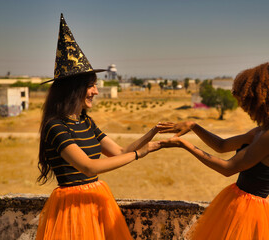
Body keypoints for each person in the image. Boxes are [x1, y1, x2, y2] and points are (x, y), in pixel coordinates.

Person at [35, 14, 159, 240]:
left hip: (96, 201)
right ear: (75, 90)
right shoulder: (56, 126)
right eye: (91, 86)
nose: (96, 92)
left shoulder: (85, 121)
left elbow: (119, 152)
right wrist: (139, 154)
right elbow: (89, 167)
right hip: (71, 208)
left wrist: (153, 134)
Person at [155, 63, 269, 239]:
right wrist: (194, 126)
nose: (244, 107)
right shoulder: (261, 131)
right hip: (237, 202)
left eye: (248, 101)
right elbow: (222, 146)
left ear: (264, 100)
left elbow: (227, 168)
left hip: (250, 212)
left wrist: (185, 145)